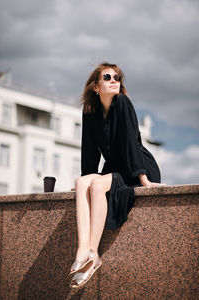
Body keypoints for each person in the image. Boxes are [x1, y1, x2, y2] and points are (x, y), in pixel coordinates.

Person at [69, 62, 163, 288]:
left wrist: (142, 178)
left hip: (138, 164)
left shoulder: (122, 103)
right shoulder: (90, 112)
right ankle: (83, 250)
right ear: (95, 86)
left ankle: (93, 253)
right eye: (107, 77)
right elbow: (89, 151)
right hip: (114, 169)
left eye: (117, 78)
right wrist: (88, 177)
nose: (114, 81)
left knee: (98, 186)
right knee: (82, 183)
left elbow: (132, 142)